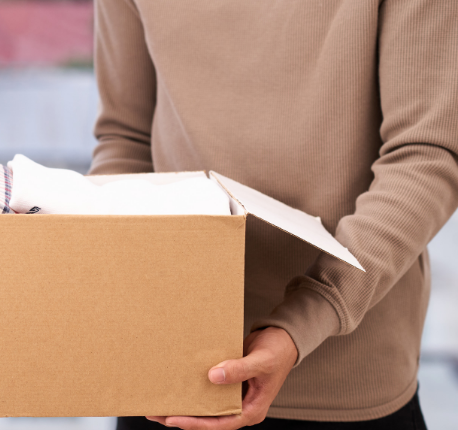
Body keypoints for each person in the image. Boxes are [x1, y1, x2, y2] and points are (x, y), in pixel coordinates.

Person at [89, 1, 456, 429]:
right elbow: (127, 138)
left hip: (344, 381)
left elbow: (427, 155)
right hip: (170, 373)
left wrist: (304, 320)